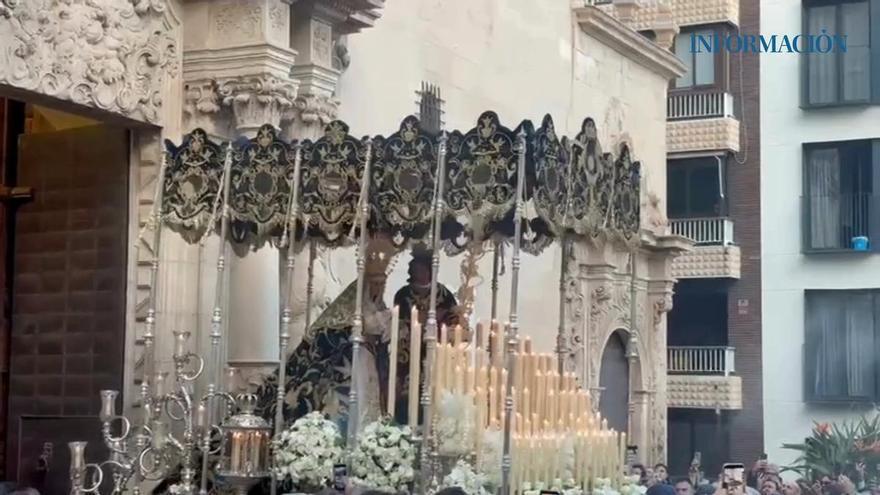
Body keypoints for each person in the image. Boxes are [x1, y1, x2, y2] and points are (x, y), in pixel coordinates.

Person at [255, 237, 395, 433]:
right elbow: (335, 333)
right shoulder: (352, 306)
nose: (379, 288)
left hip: (371, 363)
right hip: (352, 364)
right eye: (375, 283)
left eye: (382, 283)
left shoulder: (381, 307)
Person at [384, 251, 460, 425]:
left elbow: (453, 321)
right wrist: (417, 321)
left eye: (423, 269)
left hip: (435, 351)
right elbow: (397, 322)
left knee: (435, 387)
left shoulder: (444, 294)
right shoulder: (403, 294)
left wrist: (446, 324)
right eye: (416, 269)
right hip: (408, 353)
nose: (420, 273)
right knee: (407, 392)